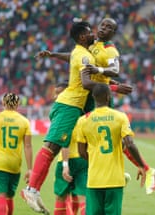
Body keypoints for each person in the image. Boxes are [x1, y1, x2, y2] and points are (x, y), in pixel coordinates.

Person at [36, 17, 155, 194]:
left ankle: (146, 169)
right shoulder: (92, 45)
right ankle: (117, 172)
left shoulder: (110, 50)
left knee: (112, 137)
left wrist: (102, 74)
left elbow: (115, 70)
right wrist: (54, 55)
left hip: (101, 96)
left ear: (113, 33)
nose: (104, 29)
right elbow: (74, 57)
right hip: (90, 97)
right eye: (102, 25)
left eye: (109, 27)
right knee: (91, 139)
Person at [20, 21, 96, 214]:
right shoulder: (85, 55)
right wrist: (109, 85)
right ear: (81, 37)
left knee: (53, 149)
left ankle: (33, 190)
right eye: (89, 32)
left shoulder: (79, 52)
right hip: (69, 105)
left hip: (69, 105)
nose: (93, 33)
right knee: (51, 146)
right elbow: (87, 83)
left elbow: (70, 57)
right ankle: (31, 189)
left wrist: (53, 54)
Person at [77, 83, 147, 214]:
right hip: (115, 180)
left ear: (93, 97)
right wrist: (141, 165)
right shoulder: (120, 117)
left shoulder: (83, 120)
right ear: (109, 97)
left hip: (94, 179)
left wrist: (94, 161)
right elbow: (130, 144)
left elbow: (81, 151)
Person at [0, 92, 33, 215]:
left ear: (3, 103)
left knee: (1, 197)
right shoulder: (24, 121)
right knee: (9, 197)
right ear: (18, 104)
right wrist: (30, 169)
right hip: (15, 165)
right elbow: (28, 146)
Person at [52, 81, 87, 215]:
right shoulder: (83, 112)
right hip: (84, 159)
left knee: (61, 196)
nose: (56, 97)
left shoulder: (63, 114)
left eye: (58, 93)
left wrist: (65, 163)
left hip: (67, 159)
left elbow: (64, 140)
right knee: (82, 197)